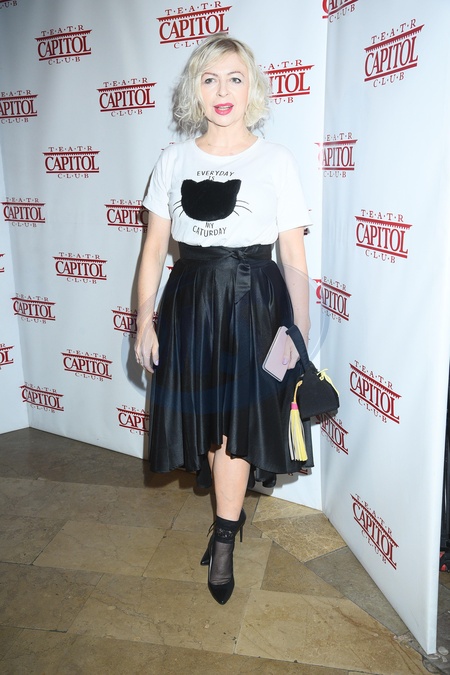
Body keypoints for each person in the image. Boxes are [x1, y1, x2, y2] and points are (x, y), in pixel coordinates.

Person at [135, 34, 312, 605]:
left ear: (251, 86)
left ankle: (225, 538)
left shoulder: (276, 160)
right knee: (211, 423)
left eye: (234, 77)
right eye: (209, 79)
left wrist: (298, 336)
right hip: (190, 305)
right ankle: (226, 518)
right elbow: (153, 251)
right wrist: (143, 320)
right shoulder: (172, 160)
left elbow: (293, 258)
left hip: (254, 305)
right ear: (195, 90)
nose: (222, 90)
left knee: (236, 427)